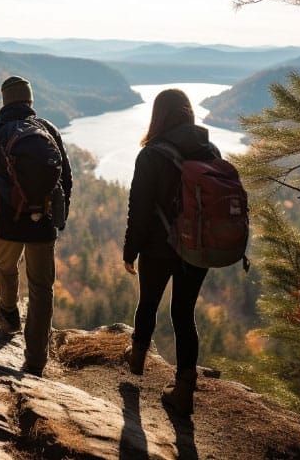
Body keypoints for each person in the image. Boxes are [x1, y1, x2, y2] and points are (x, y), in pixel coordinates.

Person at [122, 88, 219, 416]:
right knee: (183, 314)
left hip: (158, 247)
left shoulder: (151, 155)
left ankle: (136, 359)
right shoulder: (211, 150)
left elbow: (140, 209)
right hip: (197, 249)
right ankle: (184, 388)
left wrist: (130, 250)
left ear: (158, 115)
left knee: (148, 303)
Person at [0, 76, 72, 377]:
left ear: (5, 101)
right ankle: (36, 361)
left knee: (7, 268)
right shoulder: (48, 129)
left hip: (6, 221)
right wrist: (58, 216)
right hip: (44, 224)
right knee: (41, 289)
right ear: (29, 101)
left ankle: (9, 316)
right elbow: (65, 178)